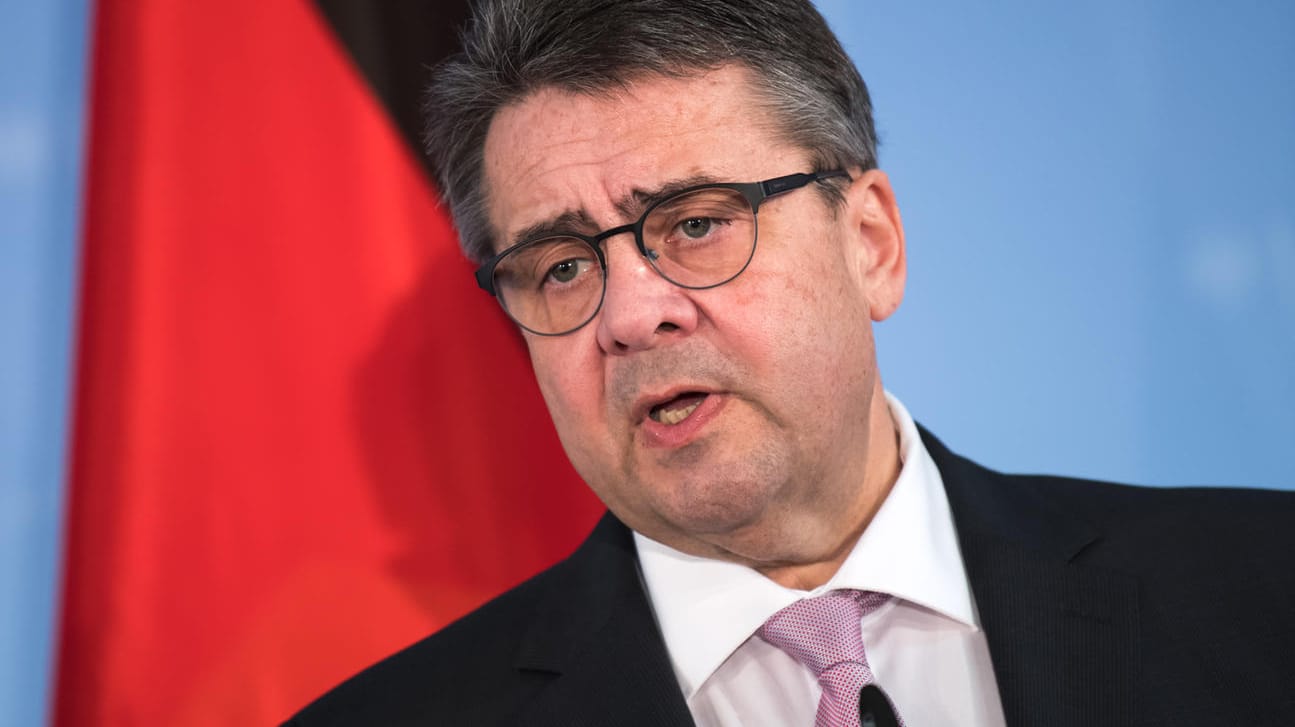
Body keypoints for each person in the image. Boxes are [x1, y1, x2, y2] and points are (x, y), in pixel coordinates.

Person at [287, 1, 1295, 724]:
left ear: (869, 244)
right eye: (559, 267)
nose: (629, 316)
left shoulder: (1262, 589)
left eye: (693, 223)